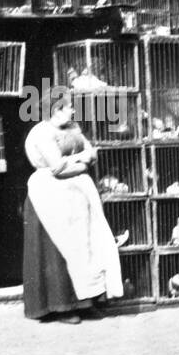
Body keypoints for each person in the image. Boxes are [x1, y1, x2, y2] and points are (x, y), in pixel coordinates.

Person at [23, 86, 124, 323]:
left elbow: (92, 153)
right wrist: (80, 161)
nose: (73, 110)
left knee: (86, 247)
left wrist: (79, 161)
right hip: (49, 195)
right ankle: (62, 307)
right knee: (59, 250)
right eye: (69, 107)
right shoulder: (41, 133)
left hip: (77, 194)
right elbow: (56, 168)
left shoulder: (74, 128)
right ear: (57, 109)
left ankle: (86, 302)